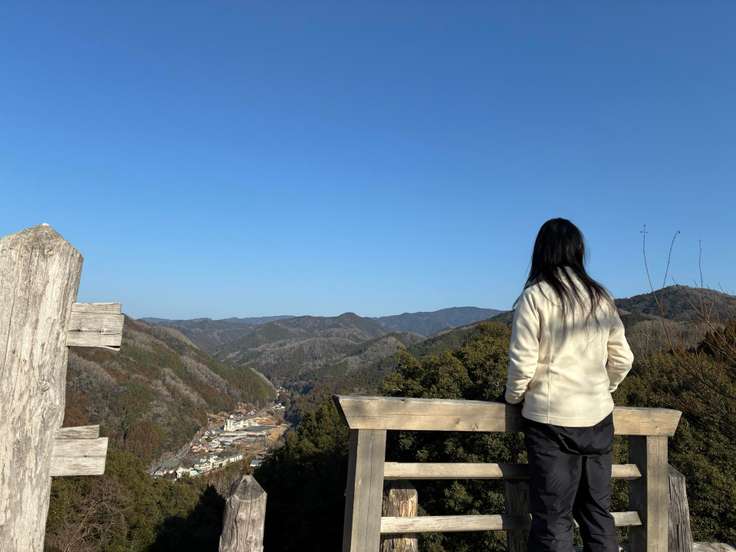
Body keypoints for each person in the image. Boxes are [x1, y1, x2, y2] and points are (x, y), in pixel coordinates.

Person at [505, 218, 634, 552]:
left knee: (553, 519)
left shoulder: (535, 297)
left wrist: (514, 397)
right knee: (597, 513)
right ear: (578, 251)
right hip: (598, 419)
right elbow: (623, 359)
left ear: (541, 251)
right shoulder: (600, 297)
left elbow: (523, 363)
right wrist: (605, 388)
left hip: (550, 422)